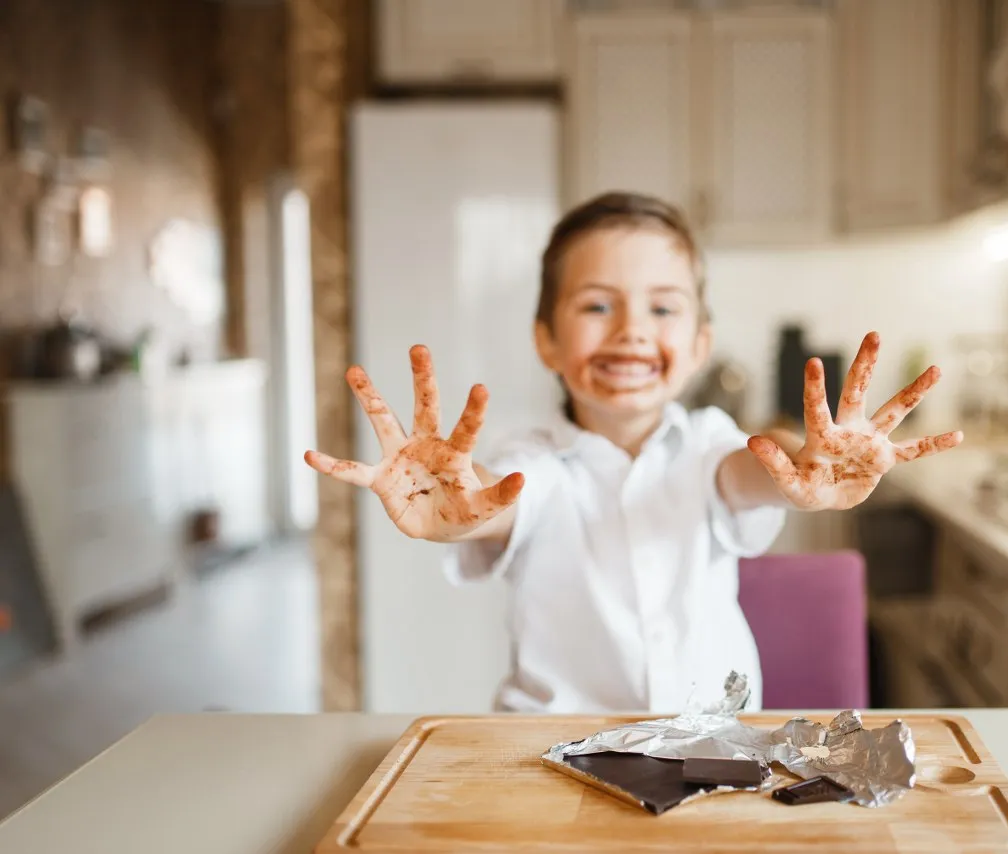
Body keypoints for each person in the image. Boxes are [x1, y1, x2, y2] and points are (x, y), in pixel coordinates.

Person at [304, 192, 963, 714]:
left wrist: (806, 465)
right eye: (597, 305)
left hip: (710, 750)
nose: (631, 332)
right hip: (552, 758)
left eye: (662, 308)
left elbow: (754, 468)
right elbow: (499, 496)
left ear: (700, 345)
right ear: (547, 342)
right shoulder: (532, 459)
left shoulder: (708, 442)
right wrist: (460, 501)